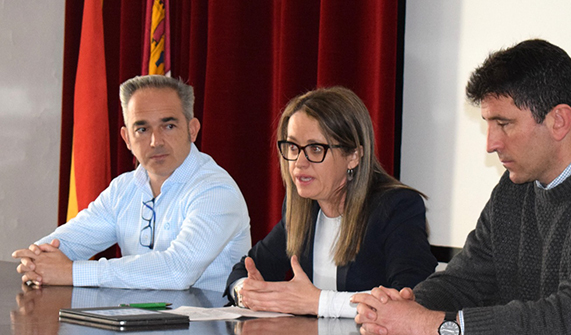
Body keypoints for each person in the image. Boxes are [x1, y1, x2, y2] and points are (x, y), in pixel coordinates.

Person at [354, 39, 571, 334]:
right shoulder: (514, 189)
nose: (491, 143)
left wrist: (434, 325)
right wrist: (404, 307)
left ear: (559, 120)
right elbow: (465, 281)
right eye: (489, 124)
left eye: (504, 124)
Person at [12, 75, 251, 292]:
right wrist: (37, 260)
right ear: (127, 138)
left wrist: (72, 273)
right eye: (142, 129)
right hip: (136, 317)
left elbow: (178, 271)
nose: (156, 141)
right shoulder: (124, 189)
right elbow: (66, 243)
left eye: (168, 126)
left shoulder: (216, 190)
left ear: (192, 130)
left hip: (208, 321)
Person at [224, 86, 436, 318]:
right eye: (293, 147)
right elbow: (244, 270)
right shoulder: (303, 208)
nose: (299, 162)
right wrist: (247, 293)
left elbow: (409, 298)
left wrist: (317, 302)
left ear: (353, 156)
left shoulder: (396, 207)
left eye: (315, 149)